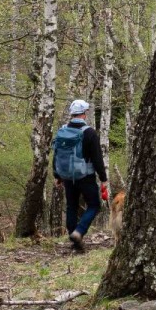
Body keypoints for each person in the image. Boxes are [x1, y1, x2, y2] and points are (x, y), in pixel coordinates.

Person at [53, 99, 108, 251]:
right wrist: (103, 179)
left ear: (72, 114)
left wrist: (57, 175)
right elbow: (97, 158)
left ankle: (73, 237)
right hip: (86, 176)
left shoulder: (62, 130)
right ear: (84, 113)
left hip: (67, 176)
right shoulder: (89, 132)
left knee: (71, 205)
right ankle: (79, 232)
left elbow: (57, 154)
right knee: (94, 205)